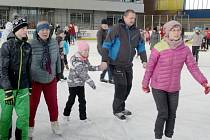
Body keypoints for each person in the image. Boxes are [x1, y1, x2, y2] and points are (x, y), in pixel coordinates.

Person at [142, 20, 210, 140]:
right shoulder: (159, 47)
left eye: (178, 30)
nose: (176, 32)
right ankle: (157, 137)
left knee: (172, 114)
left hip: (174, 87)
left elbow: (193, 67)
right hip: (158, 86)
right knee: (163, 113)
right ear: (167, 32)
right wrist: (145, 83)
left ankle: (169, 136)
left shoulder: (184, 49)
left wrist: (203, 82)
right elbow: (150, 68)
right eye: (173, 30)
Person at [101, 9, 147, 120]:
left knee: (128, 86)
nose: (133, 20)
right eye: (130, 18)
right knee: (121, 87)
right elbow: (106, 45)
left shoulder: (136, 31)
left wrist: (144, 60)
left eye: (134, 18)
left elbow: (141, 46)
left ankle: (121, 107)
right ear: (125, 17)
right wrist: (104, 60)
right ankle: (117, 110)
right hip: (116, 63)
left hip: (128, 64)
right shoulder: (117, 28)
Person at [0, 17, 32, 140]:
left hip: (23, 87)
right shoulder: (6, 46)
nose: (25, 31)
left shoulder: (28, 47)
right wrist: (7, 89)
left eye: (26, 28)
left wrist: (29, 86)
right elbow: (2, 69)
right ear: (16, 30)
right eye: (23, 28)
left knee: (24, 117)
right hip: (7, 89)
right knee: (6, 118)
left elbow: (28, 68)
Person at [29, 21, 62, 138]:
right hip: (35, 80)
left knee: (53, 104)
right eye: (42, 29)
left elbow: (58, 59)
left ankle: (55, 124)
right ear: (37, 32)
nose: (45, 31)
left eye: (47, 29)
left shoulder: (53, 43)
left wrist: (59, 73)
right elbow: (27, 63)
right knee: (32, 106)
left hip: (50, 78)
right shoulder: (31, 44)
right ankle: (29, 128)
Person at [63, 41, 103, 121]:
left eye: (88, 50)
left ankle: (83, 118)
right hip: (73, 84)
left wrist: (99, 68)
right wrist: (91, 82)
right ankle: (66, 114)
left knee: (82, 100)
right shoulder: (76, 60)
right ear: (80, 51)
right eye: (84, 50)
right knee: (71, 100)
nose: (86, 52)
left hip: (81, 84)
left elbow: (90, 67)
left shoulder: (85, 59)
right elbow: (82, 73)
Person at [97, 18, 113, 84]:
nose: (105, 26)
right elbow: (99, 43)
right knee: (108, 63)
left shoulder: (108, 31)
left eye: (106, 25)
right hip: (102, 50)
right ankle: (110, 79)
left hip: (108, 50)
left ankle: (102, 77)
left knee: (106, 64)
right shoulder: (100, 32)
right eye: (103, 24)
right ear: (101, 25)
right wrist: (103, 53)